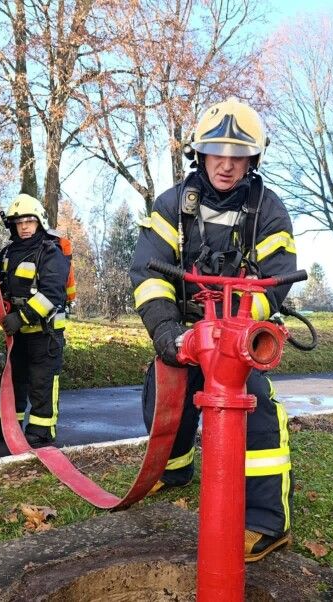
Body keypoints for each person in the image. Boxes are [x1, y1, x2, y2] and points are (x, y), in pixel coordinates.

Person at [129, 98, 298, 562]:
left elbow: (277, 279)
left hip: (241, 334)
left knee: (257, 405)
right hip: (184, 330)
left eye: (238, 154)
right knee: (163, 391)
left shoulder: (269, 211)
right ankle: (176, 469)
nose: (226, 164)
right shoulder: (170, 206)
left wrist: (235, 328)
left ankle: (266, 521)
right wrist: (168, 336)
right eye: (216, 152)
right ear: (199, 155)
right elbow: (149, 277)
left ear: (253, 159)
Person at [0, 193, 70, 448]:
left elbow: (52, 294)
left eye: (29, 221)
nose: (25, 226)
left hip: (45, 333)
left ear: (39, 222)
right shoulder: (8, 253)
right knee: (11, 381)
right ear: (13, 226)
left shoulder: (51, 252)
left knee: (42, 382)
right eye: (19, 222)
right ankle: (7, 424)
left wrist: (21, 317)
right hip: (17, 333)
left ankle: (41, 431)